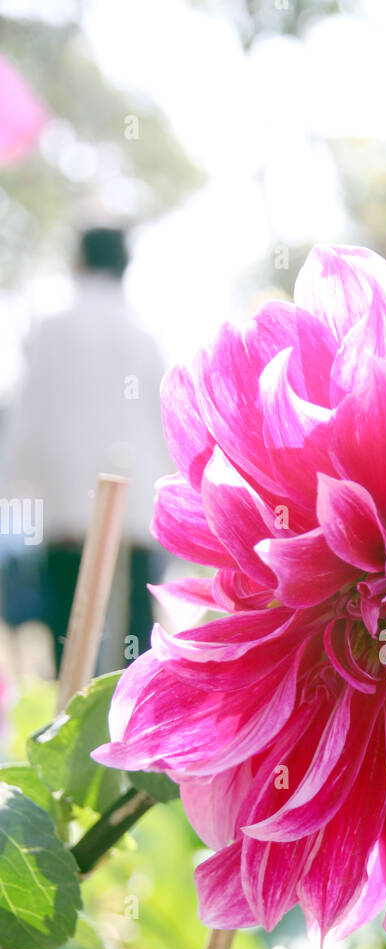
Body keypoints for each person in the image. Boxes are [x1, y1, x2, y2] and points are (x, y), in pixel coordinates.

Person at [1, 225, 168, 674]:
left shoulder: (52, 327)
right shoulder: (143, 333)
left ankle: (74, 742)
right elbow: (165, 422)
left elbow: (28, 415)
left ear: (79, 259)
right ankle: (133, 738)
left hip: (68, 514)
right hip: (135, 517)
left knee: (69, 646)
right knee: (135, 649)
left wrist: (13, 493)